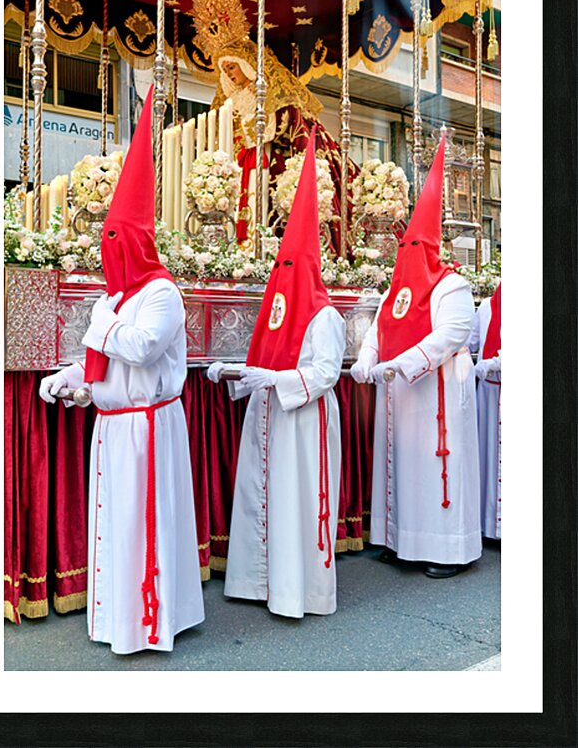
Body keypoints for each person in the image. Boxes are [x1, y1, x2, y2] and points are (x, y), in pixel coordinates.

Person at [40, 87, 204, 653]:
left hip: (149, 430)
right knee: (117, 527)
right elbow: (104, 360)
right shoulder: (113, 298)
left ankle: (153, 620)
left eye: (116, 240)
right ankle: (118, 620)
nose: (108, 251)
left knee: (145, 528)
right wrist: (72, 380)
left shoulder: (162, 293)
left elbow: (139, 349)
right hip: (115, 426)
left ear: (134, 242)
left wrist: (96, 323)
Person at [208, 129, 346, 617]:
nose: (284, 270)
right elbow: (264, 359)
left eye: (292, 263)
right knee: (261, 494)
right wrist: (236, 375)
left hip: (303, 421)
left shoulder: (324, 314)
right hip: (269, 416)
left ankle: (299, 590)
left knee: (297, 500)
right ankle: (258, 581)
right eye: (279, 264)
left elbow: (327, 371)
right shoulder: (277, 306)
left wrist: (276, 382)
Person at [351, 135, 482, 578]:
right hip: (400, 396)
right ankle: (401, 541)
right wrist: (366, 359)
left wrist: (403, 364)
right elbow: (379, 327)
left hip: (437, 391)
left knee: (434, 472)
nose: (405, 255)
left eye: (413, 248)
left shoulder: (452, 285)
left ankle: (448, 551)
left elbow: (452, 333)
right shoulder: (396, 287)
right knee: (401, 470)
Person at [191, 0, 351, 249]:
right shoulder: (231, 104)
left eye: (233, 67)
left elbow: (289, 125)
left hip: (271, 163)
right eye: (226, 70)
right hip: (243, 168)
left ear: (248, 64)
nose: (230, 74)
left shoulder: (273, 94)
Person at [469, 282, 501, 540]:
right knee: (487, 455)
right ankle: (488, 525)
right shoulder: (488, 305)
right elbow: (472, 341)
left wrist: (497, 361)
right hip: (489, 391)